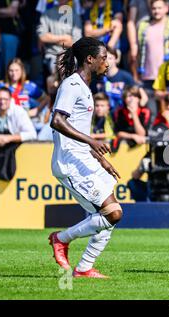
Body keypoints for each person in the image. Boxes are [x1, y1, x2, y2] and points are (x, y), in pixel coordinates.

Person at [48, 37, 123, 279]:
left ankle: (84, 268)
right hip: (70, 163)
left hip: (84, 159)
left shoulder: (85, 88)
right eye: (103, 58)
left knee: (109, 214)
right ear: (90, 59)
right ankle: (61, 239)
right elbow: (57, 121)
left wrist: (101, 159)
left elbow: (79, 130)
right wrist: (92, 141)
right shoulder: (71, 85)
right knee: (112, 213)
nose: (107, 63)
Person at [0, 87, 37, 181]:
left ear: (10, 100)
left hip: (11, 147)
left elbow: (32, 134)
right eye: (0, 99)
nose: (2, 102)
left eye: (5, 99)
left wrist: (8, 138)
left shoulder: (19, 112)